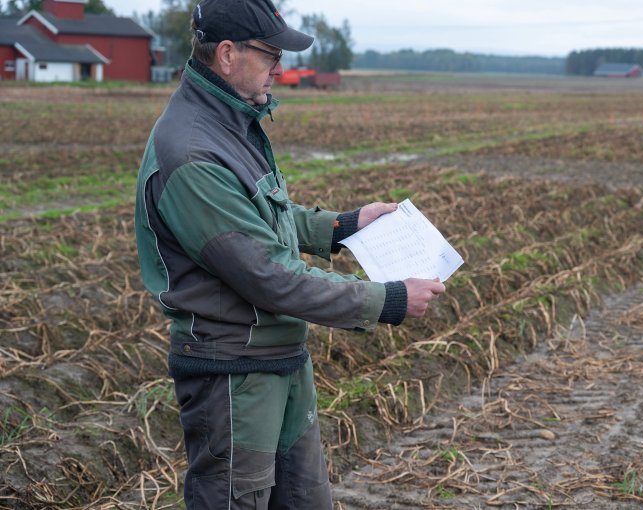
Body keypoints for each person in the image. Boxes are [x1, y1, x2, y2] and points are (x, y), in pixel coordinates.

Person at [133, 0, 446, 508]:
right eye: (270, 53)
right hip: (235, 376)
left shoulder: (230, 123)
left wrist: (345, 226)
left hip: (278, 360)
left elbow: (265, 217)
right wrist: (386, 300)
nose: (281, 67)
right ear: (228, 54)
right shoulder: (193, 153)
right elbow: (268, 276)